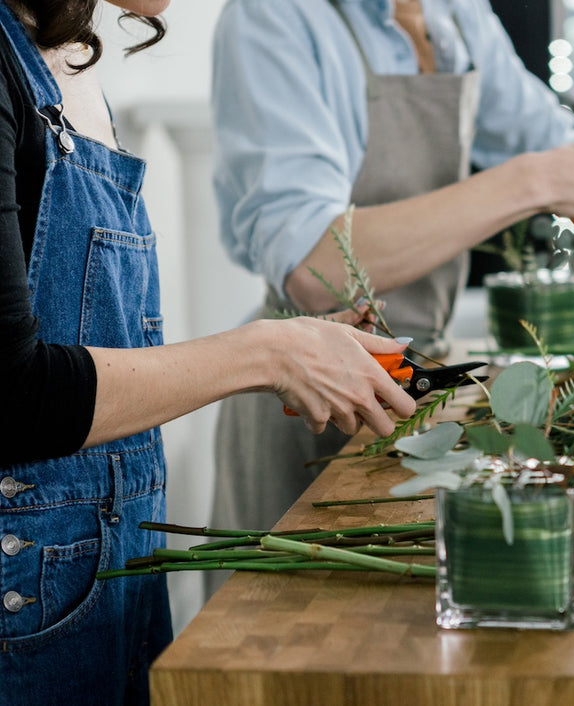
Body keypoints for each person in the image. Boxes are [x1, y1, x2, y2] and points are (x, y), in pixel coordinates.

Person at [0, 1, 416, 702]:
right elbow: (13, 397)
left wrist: (302, 347)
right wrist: (266, 354)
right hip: (23, 594)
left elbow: (86, 350)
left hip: (109, 571)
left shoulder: (67, 62)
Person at [209, 0, 574, 544]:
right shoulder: (274, 16)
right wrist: (536, 181)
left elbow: (562, 157)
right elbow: (313, 264)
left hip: (426, 385)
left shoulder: (455, 15)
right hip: (311, 400)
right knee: (288, 615)